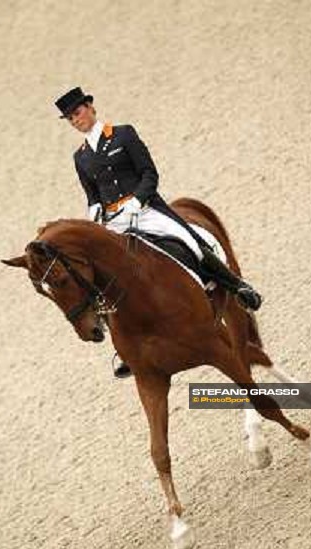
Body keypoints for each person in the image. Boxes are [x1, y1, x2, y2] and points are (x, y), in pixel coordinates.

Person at [54, 87, 262, 378]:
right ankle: (124, 346)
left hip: (147, 209)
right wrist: (95, 216)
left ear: (90, 107)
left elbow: (149, 173)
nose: (75, 120)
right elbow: (92, 195)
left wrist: (137, 202)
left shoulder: (123, 134)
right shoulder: (81, 157)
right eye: (70, 118)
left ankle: (237, 286)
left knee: (189, 240)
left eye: (77, 113)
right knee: (101, 276)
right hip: (113, 220)